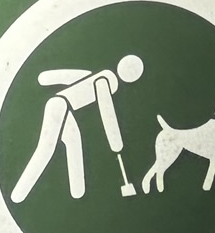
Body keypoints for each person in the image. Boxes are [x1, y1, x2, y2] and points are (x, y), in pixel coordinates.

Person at [12, 55, 144, 202]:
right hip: (59, 106)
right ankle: (19, 194)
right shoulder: (104, 81)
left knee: (74, 142)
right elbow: (107, 111)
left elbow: (66, 77)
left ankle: (78, 192)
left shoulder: (90, 76)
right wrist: (116, 144)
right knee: (46, 150)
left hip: (65, 108)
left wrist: (45, 78)